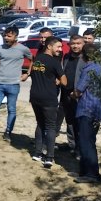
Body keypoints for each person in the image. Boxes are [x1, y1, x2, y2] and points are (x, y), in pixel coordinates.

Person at [0, 27, 32, 140]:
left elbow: (32, 60)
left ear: (16, 37)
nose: (6, 38)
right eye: (5, 35)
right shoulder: (0, 48)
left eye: (9, 36)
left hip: (14, 85)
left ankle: (8, 132)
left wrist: (27, 73)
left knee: (11, 110)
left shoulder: (23, 49)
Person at [29, 36, 67, 168]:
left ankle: (37, 153)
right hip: (48, 98)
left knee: (40, 123)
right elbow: (64, 82)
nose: (60, 49)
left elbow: (33, 74)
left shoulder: (37, 58)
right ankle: (49, 157)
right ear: (49, 46)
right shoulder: (54, 62)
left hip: (35, 97)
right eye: (58, 47)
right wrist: (58, 78)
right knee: (50, 126)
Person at [71, 43, 101, 183]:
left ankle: (91, 175)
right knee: (89, 141)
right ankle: (84, 172)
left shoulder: (89, 69)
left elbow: (79, 91)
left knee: (86, 143)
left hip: (86, 109)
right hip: (97, 109)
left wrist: (72, 95)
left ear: (84, 55)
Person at [56, 35, 84, 155]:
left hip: (79, 95)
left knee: (79, 123)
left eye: (78, 43)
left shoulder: (86, 58)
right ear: (69, 44)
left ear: (83, 44)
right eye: (73, 43)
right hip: (66, 93)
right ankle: (72, 145)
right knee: (70, 120)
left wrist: (79, 91)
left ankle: (80, 148)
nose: (75, 46)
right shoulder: (67, 57)